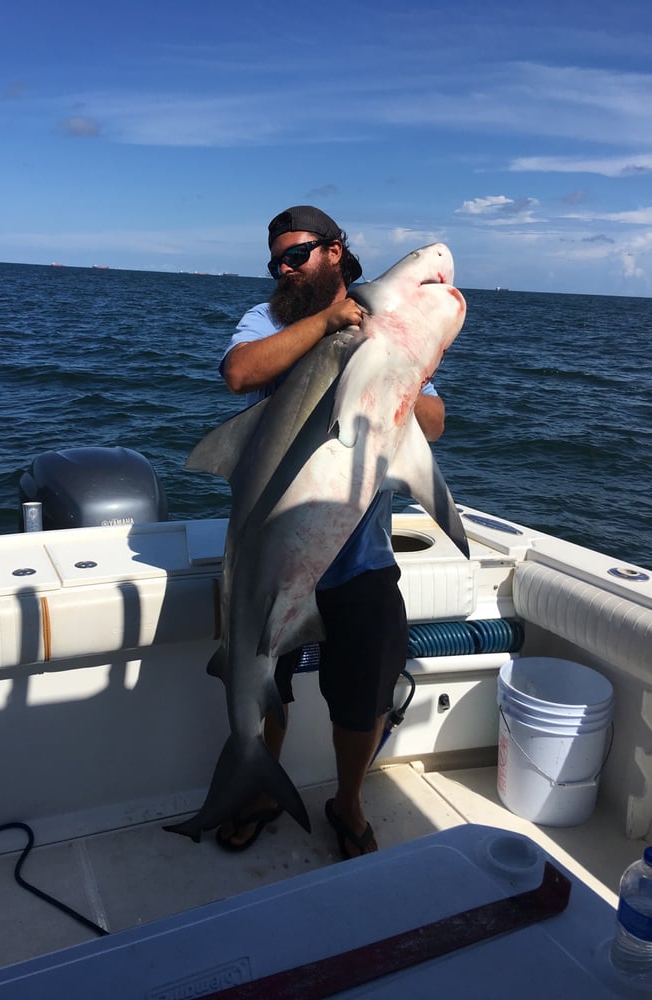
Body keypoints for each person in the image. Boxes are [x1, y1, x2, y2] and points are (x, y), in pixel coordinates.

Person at [216, 206, 445, 859]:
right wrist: (325, 325)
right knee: (268, 681)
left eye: (299, 255)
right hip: (271, 553)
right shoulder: (268, 321)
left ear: (337, 251)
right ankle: (260, 787)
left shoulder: (392, 326)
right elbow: (238, 373)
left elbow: (432, 422)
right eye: (277, 260)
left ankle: (347, 802)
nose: (285, 269)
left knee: (365, 691)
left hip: (359, 553)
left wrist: (397, 373)